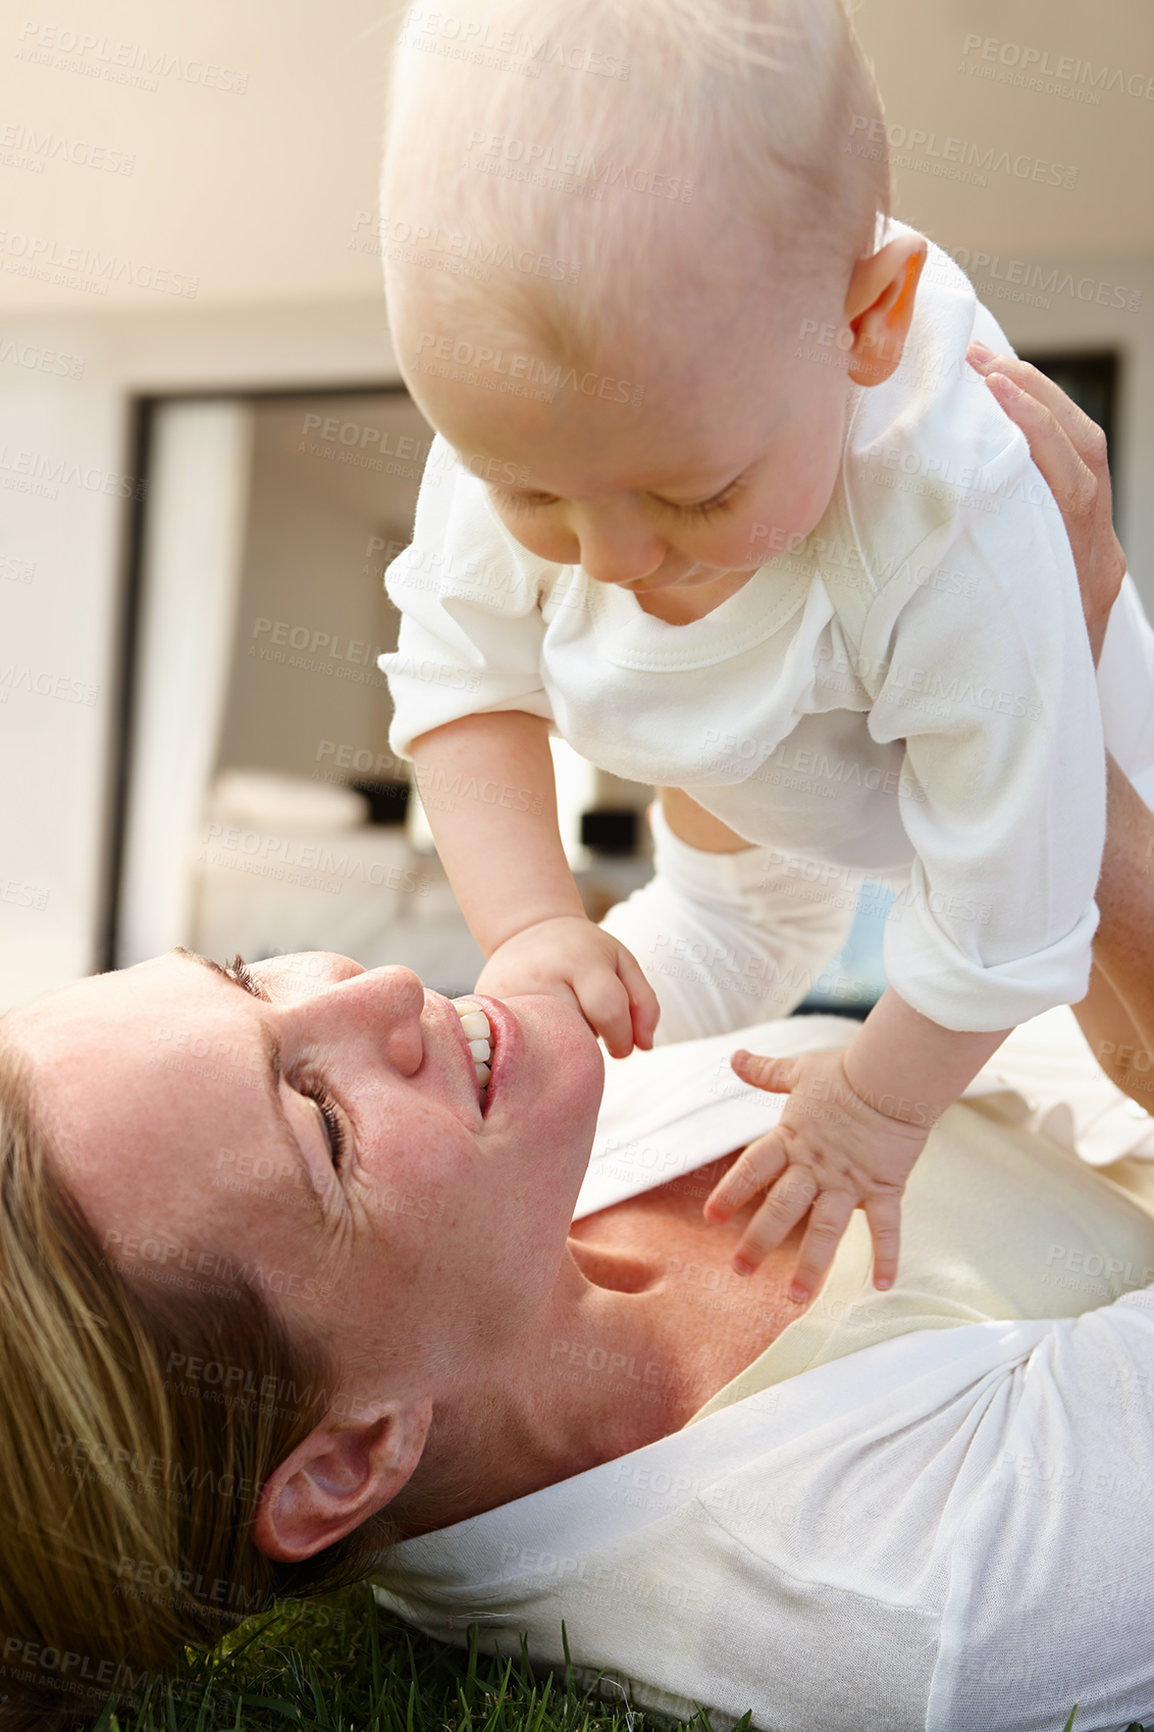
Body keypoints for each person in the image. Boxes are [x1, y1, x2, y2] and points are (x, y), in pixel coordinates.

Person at [0, 364, 1148, 1732]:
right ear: (348, 1458)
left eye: (247, 976)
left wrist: (715, 661)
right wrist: (1050, 687)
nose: (368, 989)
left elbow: (735, 917)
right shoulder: (913, 1593)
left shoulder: (509, 1184)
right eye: (321, 1122)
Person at [376, 0, 1154, 1310]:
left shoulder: (946, 499)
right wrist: (528, 927)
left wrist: (877, 1105)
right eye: (532, 496)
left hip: (1052, 783)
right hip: (760, 796)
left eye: (691, 495)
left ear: (864, 322)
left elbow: (1010, 910)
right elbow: (460, 686)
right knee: (694, 944)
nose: (610, 556)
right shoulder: (539, 418)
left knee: (1109, 1051)